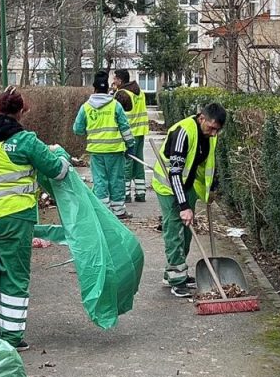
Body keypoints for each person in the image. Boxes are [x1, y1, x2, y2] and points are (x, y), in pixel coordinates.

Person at [0, 86, 71, 350]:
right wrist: (60, 154)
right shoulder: (25, 141)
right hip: (14, 218)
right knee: (14, 275)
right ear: (21, 112)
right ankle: (11, 338)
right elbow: (57, 171)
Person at [152, 102, 227, 298]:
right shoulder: (183, 133)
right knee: (175, 230)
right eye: (211, 128)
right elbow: (175, 173)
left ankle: (174, 273)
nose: (213, 134)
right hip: (169, 187)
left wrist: (212, 189)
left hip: (188, 185)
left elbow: (207, 164)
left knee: (186, 231)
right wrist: (184, 206)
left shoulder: (210, 136)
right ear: (202, 118)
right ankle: (177, 280)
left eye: (217, 130)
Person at [73, 71, 135, 220]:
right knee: (117, 180)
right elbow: (125, 128)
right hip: (115, 151)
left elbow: (77, 129)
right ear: (107, 89)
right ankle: (119, 212)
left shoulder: (86, 107)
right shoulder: (115, 106)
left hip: (96, 152)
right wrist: (130, 145)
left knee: (100, 181)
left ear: (94, 89)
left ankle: (103, 212)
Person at [112, 68, 150, 203]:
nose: (113, 81)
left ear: (120, 80)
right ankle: (140, 193)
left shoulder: (122, 94)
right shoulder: (139, 92)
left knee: (126, 163)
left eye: (115, 78)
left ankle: (126, 193)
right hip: (140, 131)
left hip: (128, 133)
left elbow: (115, 114)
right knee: (138, 162)